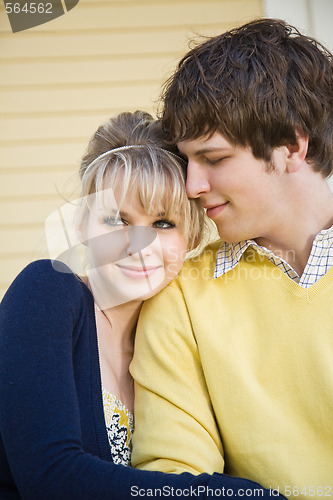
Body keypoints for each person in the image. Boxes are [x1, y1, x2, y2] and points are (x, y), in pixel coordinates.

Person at [0, 111, 280, 499]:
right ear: (82, 225)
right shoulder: (47, 292)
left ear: (191, 237)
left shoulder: (175, 335)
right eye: (117, 219)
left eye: (164, 223)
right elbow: (51, 476)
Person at [130, 19, 333, 499]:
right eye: (188, 162)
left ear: (291, 145)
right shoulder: (181, 296)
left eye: (214, 159)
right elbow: (174, 477)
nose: (192, 186)